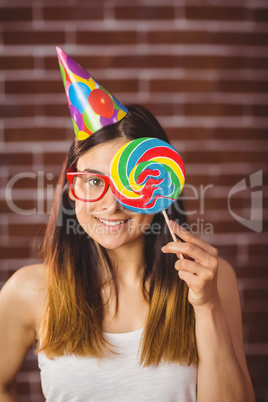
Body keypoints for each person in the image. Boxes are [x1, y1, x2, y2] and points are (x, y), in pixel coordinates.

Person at [0, 48, 255, 402]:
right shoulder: (28, 291)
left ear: (160, 185)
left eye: (130, 182)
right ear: (71, 190)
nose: (110, 204)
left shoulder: (210, 279)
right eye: (92, 181)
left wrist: (207, 305)